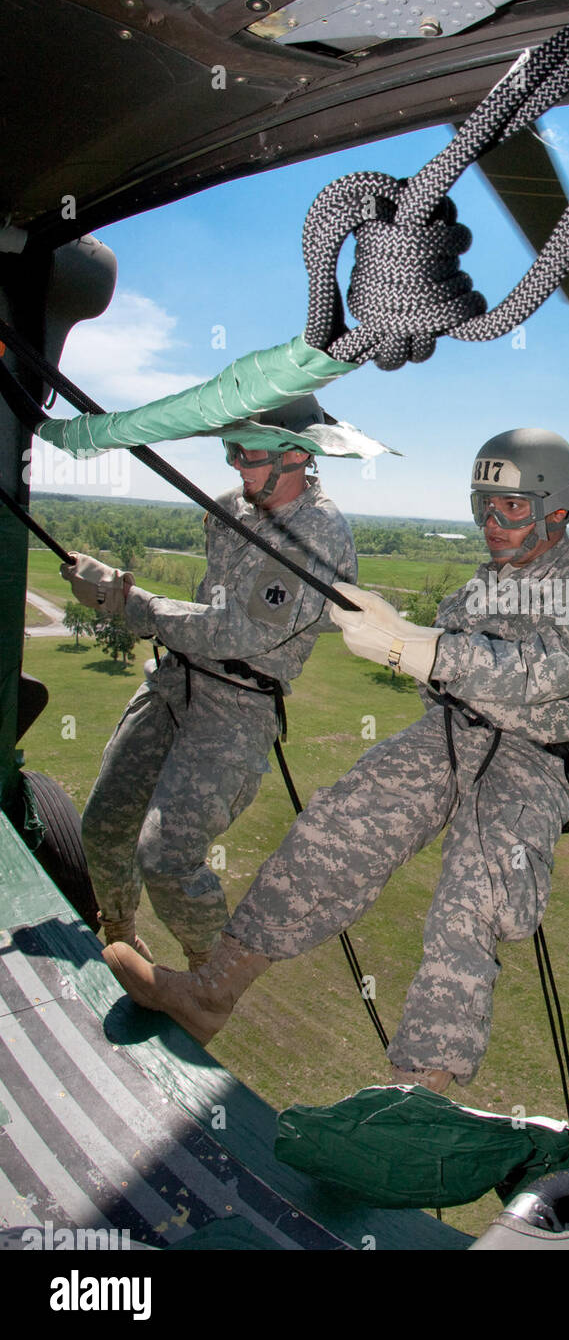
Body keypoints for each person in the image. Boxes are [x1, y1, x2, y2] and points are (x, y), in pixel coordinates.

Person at [104, 428, 569, 1094]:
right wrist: (413, 641)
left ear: (559, 509)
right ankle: (211, 993)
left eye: (511, 507)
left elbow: (546, 673)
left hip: (535, 761)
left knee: (472, 896)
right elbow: (445, 674)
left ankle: (416, 1092)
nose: (492, 522)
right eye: (485, 504)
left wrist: (416, 649)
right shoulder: (487, 586)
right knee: (332, 828)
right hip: (452, 735)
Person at [64, 397, 357, 969]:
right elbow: (208, 608)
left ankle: (208, 977)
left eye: (250, 453)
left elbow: (240, 634)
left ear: (297, 454)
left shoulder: (319, 533)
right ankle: (118, 934)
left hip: (238, 704)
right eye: (232, 450)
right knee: (104, 823)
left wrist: (126, 602)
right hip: (177, 680)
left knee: (166, 855)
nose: (238, 466)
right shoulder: (229, 508)